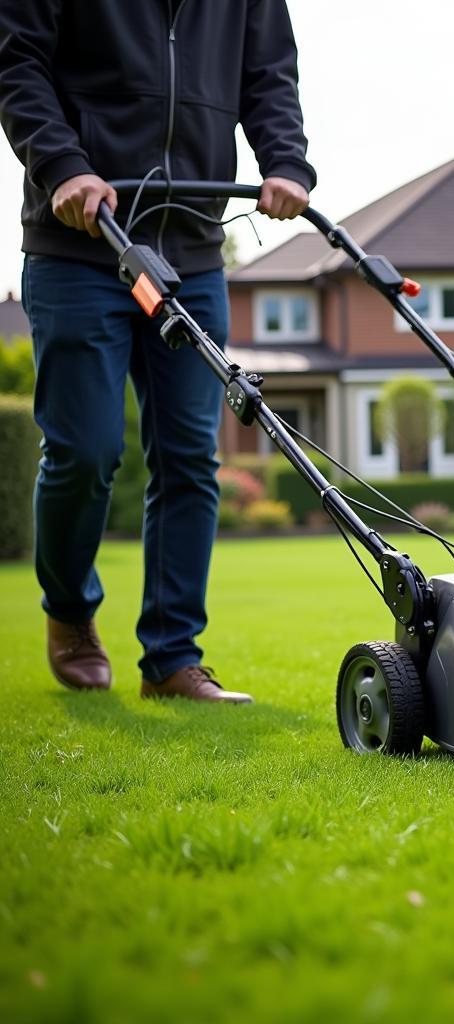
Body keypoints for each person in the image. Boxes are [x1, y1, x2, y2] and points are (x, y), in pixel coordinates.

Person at [0, 1, 316, 703]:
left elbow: (269, 77)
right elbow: (17, 62)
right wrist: (62, 167)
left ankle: (173, 659)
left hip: (193, 250)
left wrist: (285, 162)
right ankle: (71, 613)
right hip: (81, 241)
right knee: (85, 449)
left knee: (189, 457)